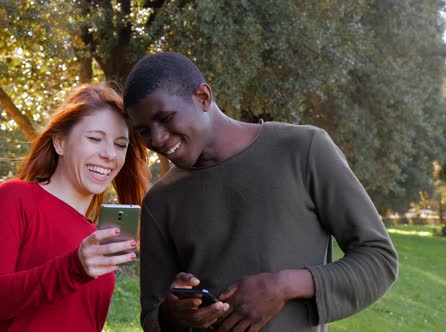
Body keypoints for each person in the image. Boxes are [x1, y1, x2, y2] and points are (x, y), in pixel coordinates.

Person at [123, 52, 398, 332]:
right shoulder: (159, 202)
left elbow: (379, 260)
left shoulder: (304, 149)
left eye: (166, 117)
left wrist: (282, 286)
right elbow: (152, 318)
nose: (156, 139)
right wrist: (172, 316)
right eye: (143, 131)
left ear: (203, 97)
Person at [0, 82, 150, 331]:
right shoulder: (14, 198)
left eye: (120, 144)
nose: (110, 154)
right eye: (95, 138)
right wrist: (73, 268)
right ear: (59, 142)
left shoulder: (95, 237)